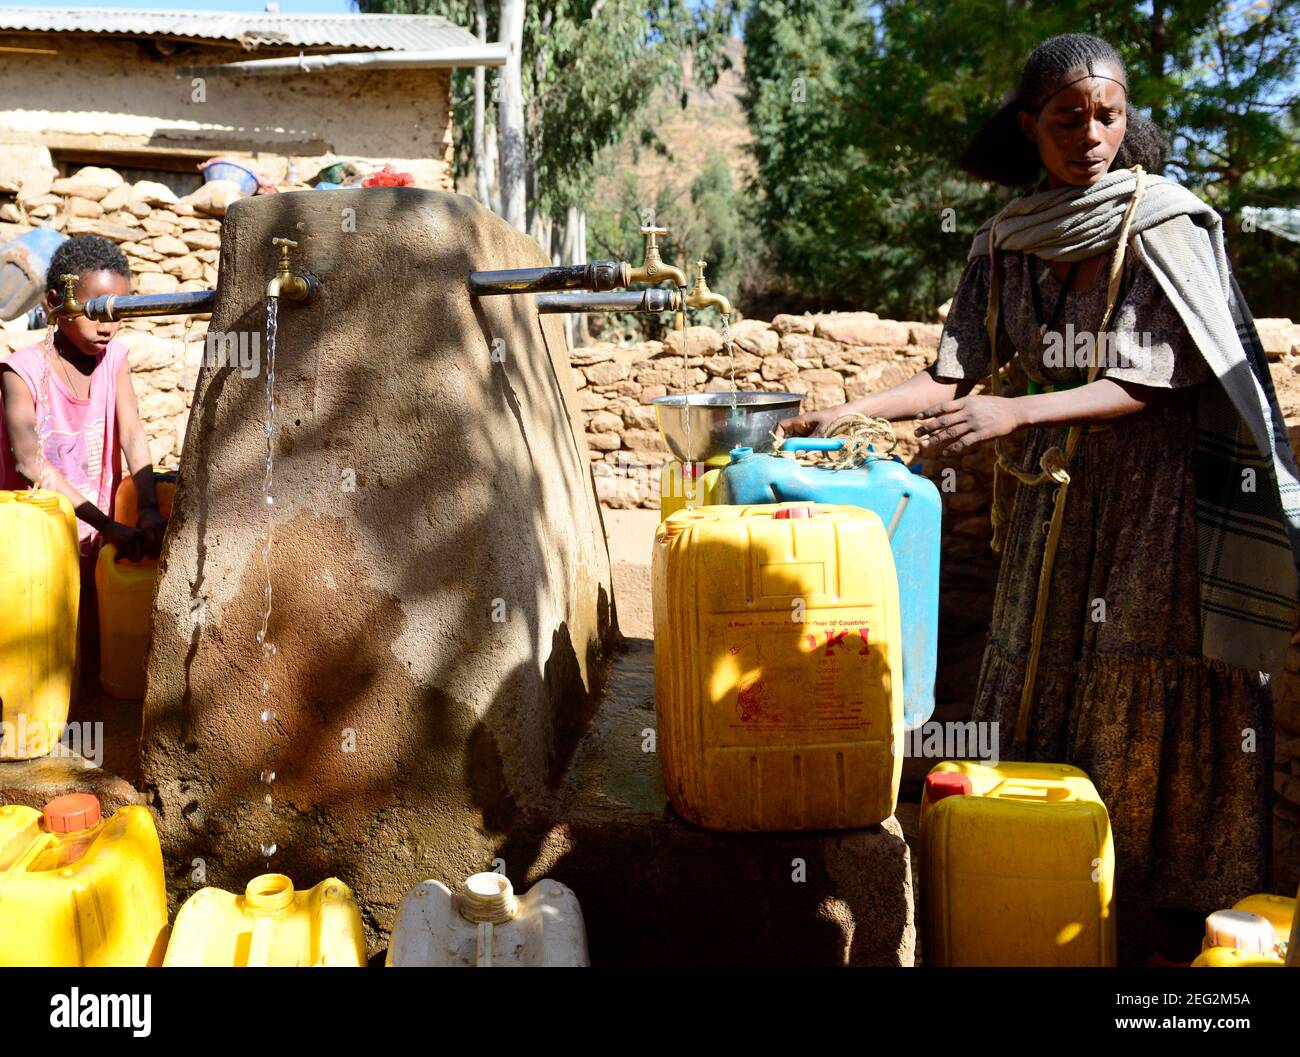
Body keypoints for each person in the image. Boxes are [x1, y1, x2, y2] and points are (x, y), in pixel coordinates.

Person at [778, 33, 1300, 965]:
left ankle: (1145, 902)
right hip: (1049, 512)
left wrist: (1011, 413)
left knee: (1135, 670)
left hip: (1154, 511)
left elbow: (1156, 380)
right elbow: (956, 374)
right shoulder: (1009, 240)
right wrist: (850, 406)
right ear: (1030, 127)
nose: (1092, 134)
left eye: (1108, 115)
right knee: (1041, 668)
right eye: (1068, 119)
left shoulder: (1163, 224)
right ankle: (1035, 878)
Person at [1, 235, 166, 664]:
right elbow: (29, 463)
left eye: (118, 313)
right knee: (44, 650)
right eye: (96, 311)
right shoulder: (21, 371)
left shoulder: (114, 360)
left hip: (100, 534)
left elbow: (131, 429)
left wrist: (147, 506)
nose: (107, 326)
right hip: (36, 543)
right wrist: (106, 524)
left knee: (97, 649)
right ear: (57, 301)